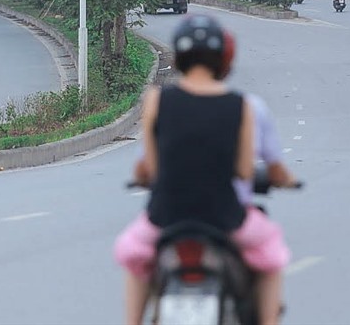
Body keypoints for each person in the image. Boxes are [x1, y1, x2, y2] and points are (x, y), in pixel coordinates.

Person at [114, 16, 289, 325]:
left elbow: (151, 168)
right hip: (224, 218)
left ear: (179, 57)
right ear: (223, 59)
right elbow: (244, 171)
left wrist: (145, 175)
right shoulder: (241, 105)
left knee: (134, 256)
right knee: (272, 256)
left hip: (166, 216)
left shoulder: (157, 101)